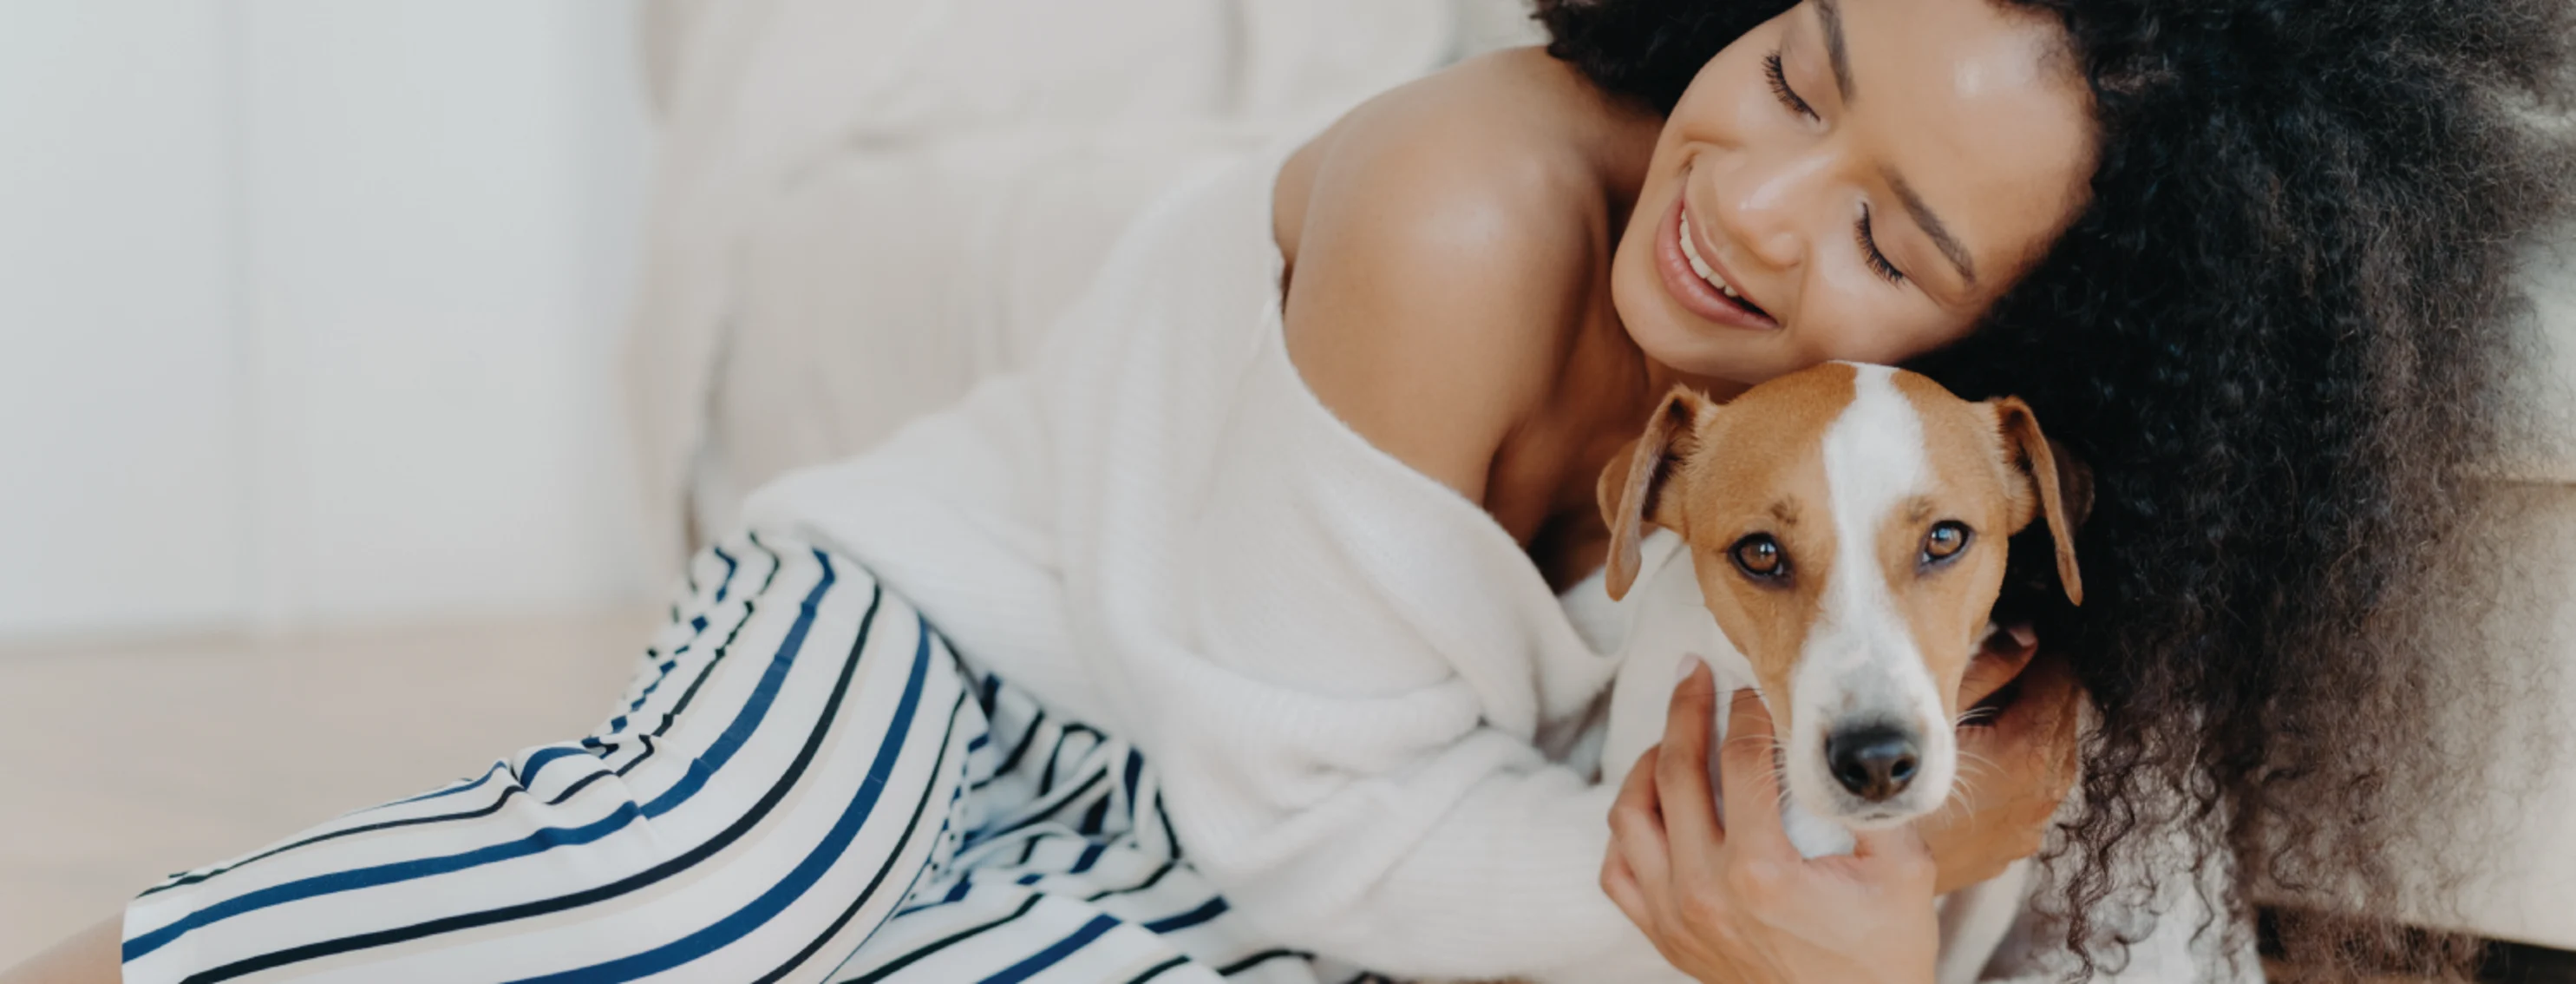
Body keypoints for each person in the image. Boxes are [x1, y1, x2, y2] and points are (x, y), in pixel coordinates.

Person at [8, 0, 2566, 981]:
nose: (1755, 203)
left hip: (1226, 792)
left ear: (2009, 339)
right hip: (968, 630)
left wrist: (1966, 832)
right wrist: (1791, 925)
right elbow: (1350, 838)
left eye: (1885, 228)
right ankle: (121, 948)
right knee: (715, 886)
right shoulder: (1468, 205)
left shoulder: (1929, 476)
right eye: (1795, 65)